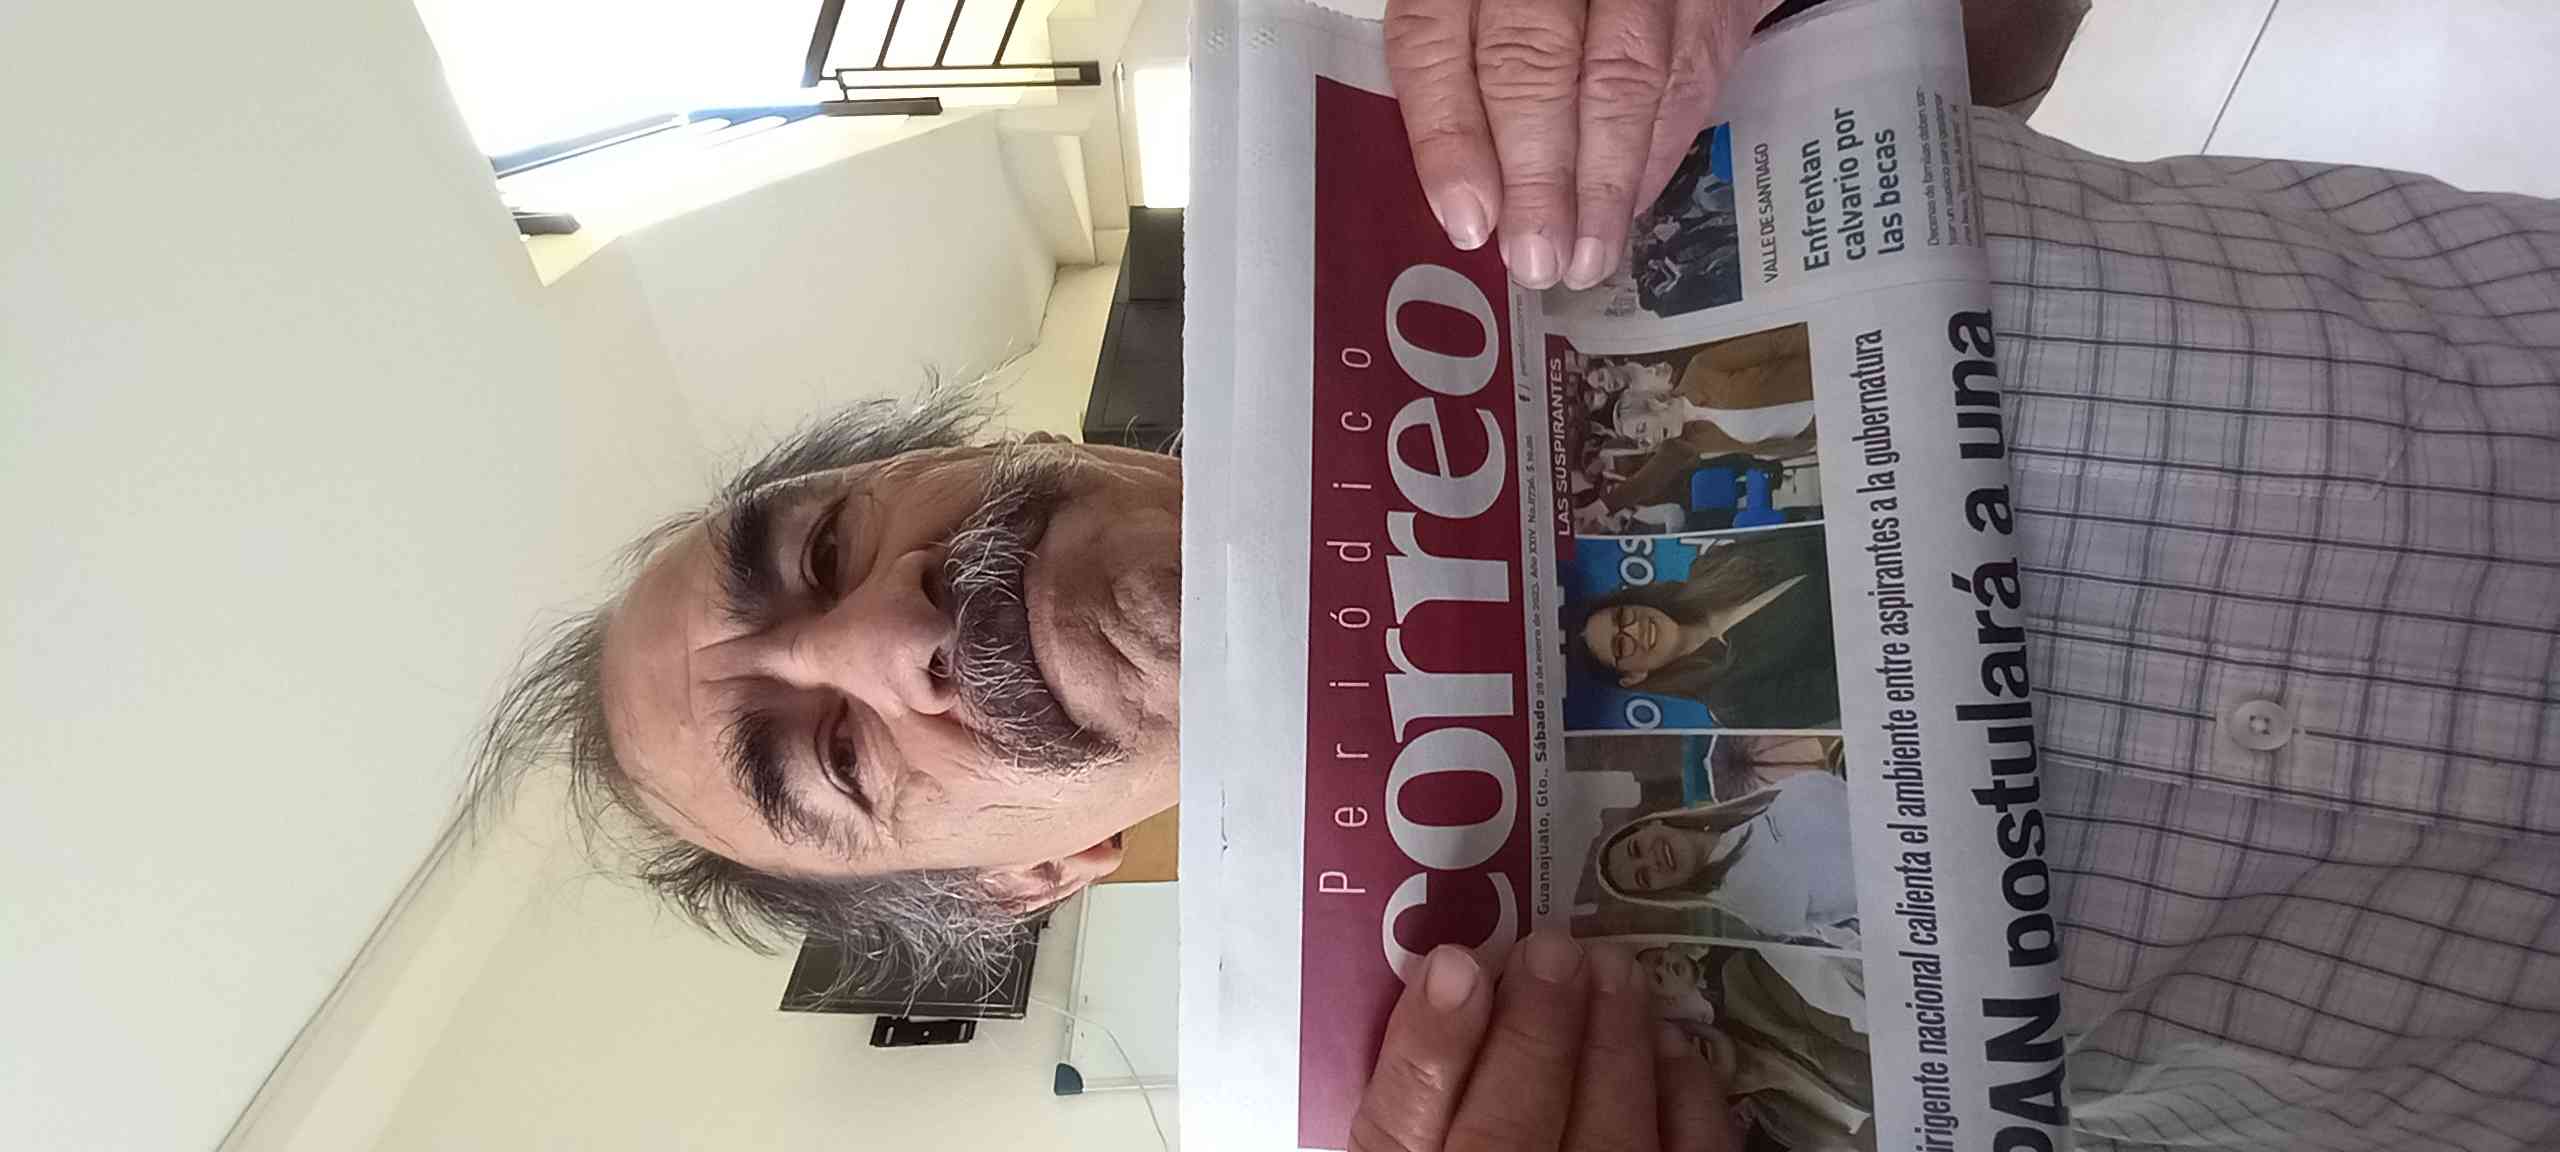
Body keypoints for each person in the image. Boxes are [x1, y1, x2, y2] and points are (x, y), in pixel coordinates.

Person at [464, 0, 2560, 1145]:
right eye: (830, 756)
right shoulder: (1438, 1104)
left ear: (985, 444)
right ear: (1034, 879)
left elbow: (1987, 35)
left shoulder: (1421, 88)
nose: (888, 634)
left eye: (825, 549)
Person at [1574, 527, 1839, 728]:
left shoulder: (1709, 565)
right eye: (1620, 645)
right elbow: (1840, 692)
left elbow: (1815, 534)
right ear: (1633, 677)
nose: (1634, 629)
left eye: (1622, 616)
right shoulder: (1733, 702)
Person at [1596, 773, 1860, 946]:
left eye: (1636, 849)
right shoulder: (1753, 902)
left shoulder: (1755, 805)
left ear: (1651, 824)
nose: (1651, 861)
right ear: (1661, 891)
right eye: (1644, 877)